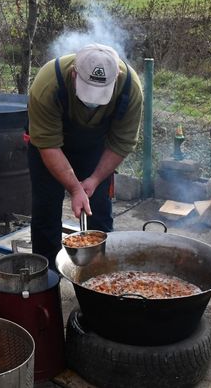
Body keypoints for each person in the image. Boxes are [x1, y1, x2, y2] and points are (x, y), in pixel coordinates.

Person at [27, 43, 143, 262]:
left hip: (96, 149)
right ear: (74, 74)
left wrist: (95, 179)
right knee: (46, 210)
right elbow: (48, 145)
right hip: (50, 148)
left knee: (98, 212)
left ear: (116, 77)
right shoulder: (48, 83)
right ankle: (48, 276)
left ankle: (100, 272)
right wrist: (74, 187)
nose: (92, 101)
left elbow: (122, 142)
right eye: (88, 92)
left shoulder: (130, 87)